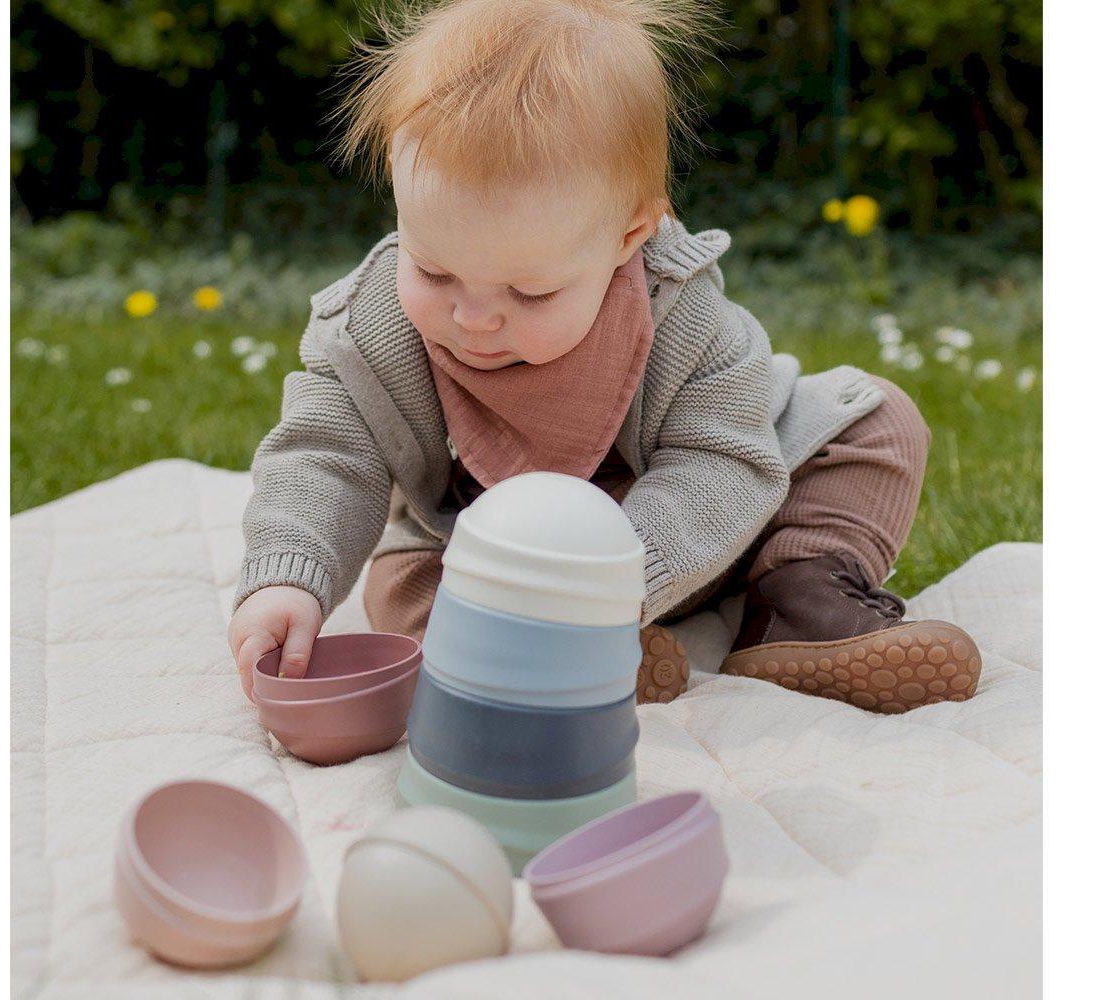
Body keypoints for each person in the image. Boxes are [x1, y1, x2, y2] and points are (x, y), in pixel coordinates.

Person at [228, 0, 981, 713]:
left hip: (690, 542)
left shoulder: (686, 319)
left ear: (629, 238)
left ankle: (797, 600)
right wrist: (287, 580)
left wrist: (602, 586)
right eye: (434, 271)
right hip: (493, 573)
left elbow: (726, 465)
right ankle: (525, 659)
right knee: (406, 585)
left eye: (530, 290)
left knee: (876, 418)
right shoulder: (372, 330)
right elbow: (323, 456)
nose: (475, 317)